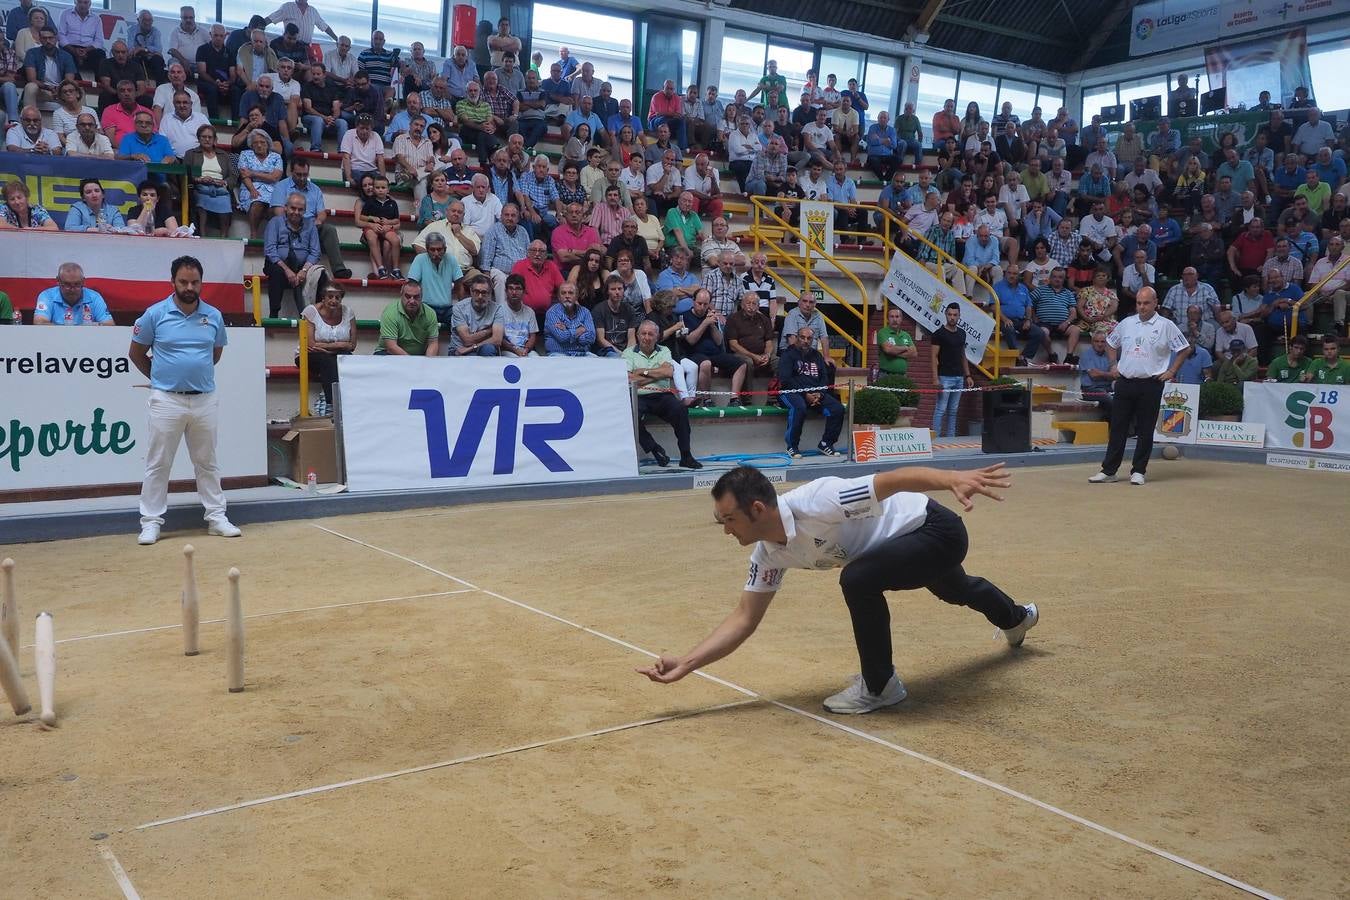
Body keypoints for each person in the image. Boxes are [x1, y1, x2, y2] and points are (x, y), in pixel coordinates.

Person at [638, 461, 1036, 713]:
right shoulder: (768, 555)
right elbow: (744, 618)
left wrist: (951, 477)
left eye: (728, 520)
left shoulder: (819, 501)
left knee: (858, 579)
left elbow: (893, 480)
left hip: (934, 529)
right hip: (899, 546)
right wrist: (686, 664)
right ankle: (1017, 618)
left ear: (757, 509)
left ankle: (881, 687)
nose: (725, 530)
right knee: (957, 589)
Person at [130, 256, 240, 545]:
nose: (189, 287)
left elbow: (214, 354)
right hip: (166, 399)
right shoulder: (154, 314)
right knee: (158, 463)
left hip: (204, 399)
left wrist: (191, 373)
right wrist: (162, 378)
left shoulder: (214, 316)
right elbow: (136, 353)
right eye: (183, 281)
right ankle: (151, 522)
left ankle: (217, 517)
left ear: (201, 283)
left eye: (195, 282)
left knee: (207, 462)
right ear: (172, 282)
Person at [1089, 287, 1190, 486]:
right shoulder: (1126, 323)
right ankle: (1109, 470)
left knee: (1145, 429)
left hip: (1151, 383)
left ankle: (1139, 471)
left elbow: (1184, 349)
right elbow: (1111, 343)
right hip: (1125, 382)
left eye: (1146, 303)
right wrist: (1113, 365)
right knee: (1118, 427)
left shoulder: (1166, 325)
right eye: (1139, 303)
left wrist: (1171, 371)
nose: (1142, 307)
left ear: (1155, 303)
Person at [624, 320, 702, 468]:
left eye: (651, 334)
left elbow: (668, 372)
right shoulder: (628, 353)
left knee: (680, 410)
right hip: (638, 397)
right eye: (643, 334)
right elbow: (630, 379)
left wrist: (642, 371)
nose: (646, 337)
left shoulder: (664, 350)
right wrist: (656, 374)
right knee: (629, 415)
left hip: (662, 396)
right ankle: (654, 448)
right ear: (638, 335)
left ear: (657, 336)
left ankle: (686, 456)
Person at [778, 325, 844, 456]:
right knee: (799, 408)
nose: (806, 341)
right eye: (802, 337)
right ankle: (792, 446)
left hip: (815, 393)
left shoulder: (816, 355)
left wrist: (820, 393)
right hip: (790, 392)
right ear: (797, 338)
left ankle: (826, 443)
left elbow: (824, 377)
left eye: (809, 338)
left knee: (838, 409)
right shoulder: (788, 354)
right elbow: (786, 380)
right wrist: (805, 394)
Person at [682, 289, 749, 408]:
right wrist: (704, 324)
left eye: (705, 304)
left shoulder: (711, 315)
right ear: (693, 301)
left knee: (741, 364)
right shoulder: (685, 316)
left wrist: (712, 325)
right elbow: (691, 341)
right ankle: (707, 399)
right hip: (694, 353)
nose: (702, 307)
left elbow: (719, 341)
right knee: (706, 364)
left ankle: (734, 399)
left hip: (715, 353)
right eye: (699, 303)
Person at [297, 283, 355, 416]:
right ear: (323, 298)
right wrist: (339, 345)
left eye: (337, 297)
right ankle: (332, 404)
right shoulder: (310, 311)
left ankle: (351, 402)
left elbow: (352, 344)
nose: (334, 300)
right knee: (328, 361)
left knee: (349, 359)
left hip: (333, 353)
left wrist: (327, 347)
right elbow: (310, 344)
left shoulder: (348, 312)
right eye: (330, 297)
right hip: (308, 354)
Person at [264, 191, 321, 319]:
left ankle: (316, 317)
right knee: (276, 271)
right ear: (285, 207)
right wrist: (287, 270)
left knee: (320, 274)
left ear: (305, 211)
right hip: (279, 264)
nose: (296, 212)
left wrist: (304, 270)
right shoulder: (275, 222)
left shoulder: (310, 225)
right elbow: (270, 250)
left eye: (300, 210)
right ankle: (274, 314)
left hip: (303, 266)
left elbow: (315, 252)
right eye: (293, 208)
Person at [724, 290, 777, 399]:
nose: (751, 307)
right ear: (742, 304)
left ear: (758, 306)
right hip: (740, 354)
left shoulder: (764, 319)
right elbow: (733, 345)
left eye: (754, 304)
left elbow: (769, 342)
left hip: (762, 354)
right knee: (747, 362)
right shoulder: (733, 319)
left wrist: (767, 355)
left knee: (779, 361)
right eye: (748, 303)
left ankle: (775, 396)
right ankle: (746, 398)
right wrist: (753, 356)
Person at [930, 303, 972, 438]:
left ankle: (950, 439)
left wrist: (968, 375)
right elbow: (933, 357)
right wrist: (935, 378)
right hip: (944, 377)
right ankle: (935, 438)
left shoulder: (962, 333)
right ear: (945, 315)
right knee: (940, 409)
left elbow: (963, 355)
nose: (952, 317)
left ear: (959, 316)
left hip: (959, 377)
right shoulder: (939, 334)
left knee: (953, 411)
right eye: (950, 314)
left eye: (955, 315)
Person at [33, 262, 114, 325]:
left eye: (77, 284)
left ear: (83, 281)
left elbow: (109, 325)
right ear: (58, 281)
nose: (72, 289)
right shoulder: (47, 296)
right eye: (67, 284)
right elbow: (39, 323)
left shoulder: (94, 297)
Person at [378, 280, 439, 356]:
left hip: (418, 357)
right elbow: (391, 347)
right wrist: (412, 363)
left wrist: (428, 363)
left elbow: (433, 343)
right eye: (408, 296)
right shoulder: (390, 313)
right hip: (388, 354)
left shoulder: (430, 313)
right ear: (401, 295)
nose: (412, 301)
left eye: (416, 297)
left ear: (421, 297)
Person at [449, 275, 505, 356]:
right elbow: (467, 340)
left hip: (479, 349)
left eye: (484, 292)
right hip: (459, 350)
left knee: (488, 349)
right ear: (471, 291)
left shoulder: (497, 309)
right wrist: (489, 331)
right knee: (472, 357)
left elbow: (497, 340)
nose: (480, 296)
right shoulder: (459, 308)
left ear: (490, 294)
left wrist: (473, 347)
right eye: (476, 292)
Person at [544, 282, 595, 356]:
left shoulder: (585, 312)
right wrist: (581, 330)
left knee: (596, 361)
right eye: (563, 293)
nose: (567, 296)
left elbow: (591, 338)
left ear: (577, 296)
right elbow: (562, 337)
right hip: (559, 354)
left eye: (570, 293)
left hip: (582, 354)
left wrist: (567, 329)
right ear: (558, 297)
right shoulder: (552, 312)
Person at [1077, 329, 1114, 417]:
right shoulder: (1086, 355)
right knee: (1110, 400)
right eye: (1096, 341)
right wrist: (1108, 375)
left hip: (1107, 388)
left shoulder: (1110, 355)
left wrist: (1102, 374)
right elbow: (1094, 375)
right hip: (1090, 389)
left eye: (1102, 341)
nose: (1100, 344)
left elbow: (1116, 375)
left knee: (1128, 397)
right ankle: (1111, 426)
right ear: (1092, 342)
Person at [875, 306, 916, 375]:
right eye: (892, 317)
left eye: (897, 317)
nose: (894, 319)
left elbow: (914, 353)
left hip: (902, 375)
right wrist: (905, 348)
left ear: (901, 319)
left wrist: (893, 352)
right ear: (887, 319)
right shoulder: (882, 332)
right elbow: (888, 349)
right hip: (886, 375)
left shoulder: (906, 335)